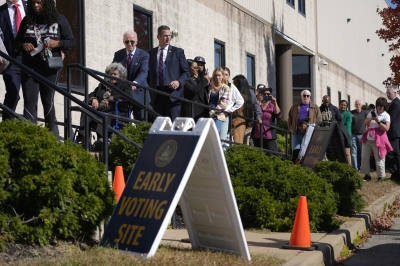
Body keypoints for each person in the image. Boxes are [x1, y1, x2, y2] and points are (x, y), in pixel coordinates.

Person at [15, 0, 74, 133]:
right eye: (33, 3)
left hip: (50, 67)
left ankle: (49, 138)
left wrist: (56, 43)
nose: (36, 5)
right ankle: (30, 137)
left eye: (39, 2)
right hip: (29, 66)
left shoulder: (60, 19)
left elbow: (70, 42)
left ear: (46, 3)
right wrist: (23, 45)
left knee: (48, 101)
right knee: (30, 100)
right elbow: (16, 42)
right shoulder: (27, 20)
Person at [78, 63, 132, 150]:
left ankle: (101, 140)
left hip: (117, 112)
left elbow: (128, 99)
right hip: (100, 111)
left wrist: (112, 99)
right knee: (86, 111)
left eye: (115, 74)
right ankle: (84, 140)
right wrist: (93, 99)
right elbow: (89, 95)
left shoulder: (124, 86)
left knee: (105, 114)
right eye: (110, 74)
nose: (112, 76)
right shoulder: (102, 85)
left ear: (120, 76)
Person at [147, 25, 190, 121]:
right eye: (165, 36)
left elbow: (186, 73)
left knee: (174, 126)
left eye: (169, 35)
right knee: (159, 126)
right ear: (158, 37)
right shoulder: (150, 53)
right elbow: (148, 75)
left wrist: (178, 82)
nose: (168, 38)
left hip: (173, 95)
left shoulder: (177, 52)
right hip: (156, 95)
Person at [112, 30, 150, 121]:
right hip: (124, 93)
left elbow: (144, 72)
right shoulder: (118, 54)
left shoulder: (144, 55)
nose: (129, 44)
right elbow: (112, 69)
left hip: (139, 93)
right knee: (122, 122)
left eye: (132, 41)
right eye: (127, 41)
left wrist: (135, 83)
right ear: (123, 42)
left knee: (141, 122)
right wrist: (106, 81)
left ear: (136, 42)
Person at [0, 0, 26, 120]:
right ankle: (6, 126)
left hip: (31, 59)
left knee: (31, 97)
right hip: (11, 60)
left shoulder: (31, 6)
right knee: (13, 93)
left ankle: (32, 131)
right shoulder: (1, 11)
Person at [360, 97, 392, 182]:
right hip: (368, 138)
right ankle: (367, 175)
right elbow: (365, 123)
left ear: (384, 107)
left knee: (379, 158)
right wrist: (371, 119)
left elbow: (386, 128)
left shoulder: (386, 115)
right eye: (378, 105)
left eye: (381, 106)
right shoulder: (372, 112)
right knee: (365, 157)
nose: (379, 107)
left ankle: (380, 177)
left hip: (379, 139)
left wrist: (378, 122)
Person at [288, 90, 321, 161]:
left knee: (306, 153)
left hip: (308, 134)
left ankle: (305, 170)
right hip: (296, 133)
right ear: (301, 97)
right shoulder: (295, 106)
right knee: (296, 152)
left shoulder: (315, 107)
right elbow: (290, 118)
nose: (306, 97)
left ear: (310, 97)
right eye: (304, 95)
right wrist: (290, 127)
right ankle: (295, 169)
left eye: (307, 96)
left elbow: (319, 120)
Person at [252, 86, 282, 151]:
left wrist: (275, 103)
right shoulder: (257, 105)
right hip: (257, 134)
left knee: (270, 153)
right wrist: (258, 103)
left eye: (268, 94)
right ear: (261, 95)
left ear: (271, 95)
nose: (266, 95)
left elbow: (279, 116)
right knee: (258, 154)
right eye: (264, 94)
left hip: (269, 135)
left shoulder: (272, 105)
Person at [220, 66, 244, 142]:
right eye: (223, 74)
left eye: (226, 74)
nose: (224, 76)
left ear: (229, 76)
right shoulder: (215, 84)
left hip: (224, 115)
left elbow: (240, 101)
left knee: (222, 138)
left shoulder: (231, 86)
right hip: (213, 113)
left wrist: (231, 109)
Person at [231, 75, 254, 144]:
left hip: (238, 121)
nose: (233, 85)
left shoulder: (241, 97)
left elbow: (237, 110)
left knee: (237, 142)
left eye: (234, 83)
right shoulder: (246, 96)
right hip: (239, 122)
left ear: (239, 84)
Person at [207, 67, 230, 133]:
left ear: (222, 76)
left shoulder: (225, 88)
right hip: (207, 115)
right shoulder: (210, 88)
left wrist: (212, 111)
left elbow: (224, 104)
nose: (217, 77)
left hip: (218, 115)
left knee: (215, 134)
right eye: (215, 75)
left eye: (219, 75)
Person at [386, 86, 400, 180]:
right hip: (396, 132)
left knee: (389, 152)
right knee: (397, 153)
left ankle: (396, 174)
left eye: (389, 93)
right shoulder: (395, 103)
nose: (387, 95)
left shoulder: (395, 104)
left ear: (395, 93)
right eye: (387, 93)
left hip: (393, 132)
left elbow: (391, 118)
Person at [351, 99, 369, 171]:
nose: (358, 105)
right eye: (357, 104)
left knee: (362, 152)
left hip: (362, 135)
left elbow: (368, 123)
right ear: (355, 105)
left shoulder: (365, 113)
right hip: (353, 135)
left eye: (359, 104)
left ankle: (362, 168)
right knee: (354, 152)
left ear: (361, 105)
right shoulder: (351, 113)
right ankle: (355, 168)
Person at [339, 100, 352, 166]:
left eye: (344, 105)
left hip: (346, 135)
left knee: (347, 153)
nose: (343, 106)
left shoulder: (348, 114)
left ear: (347, 106)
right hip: (338, 135)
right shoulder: (337, 113)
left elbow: (347, 125)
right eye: (341, 104)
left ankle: (349, 167)